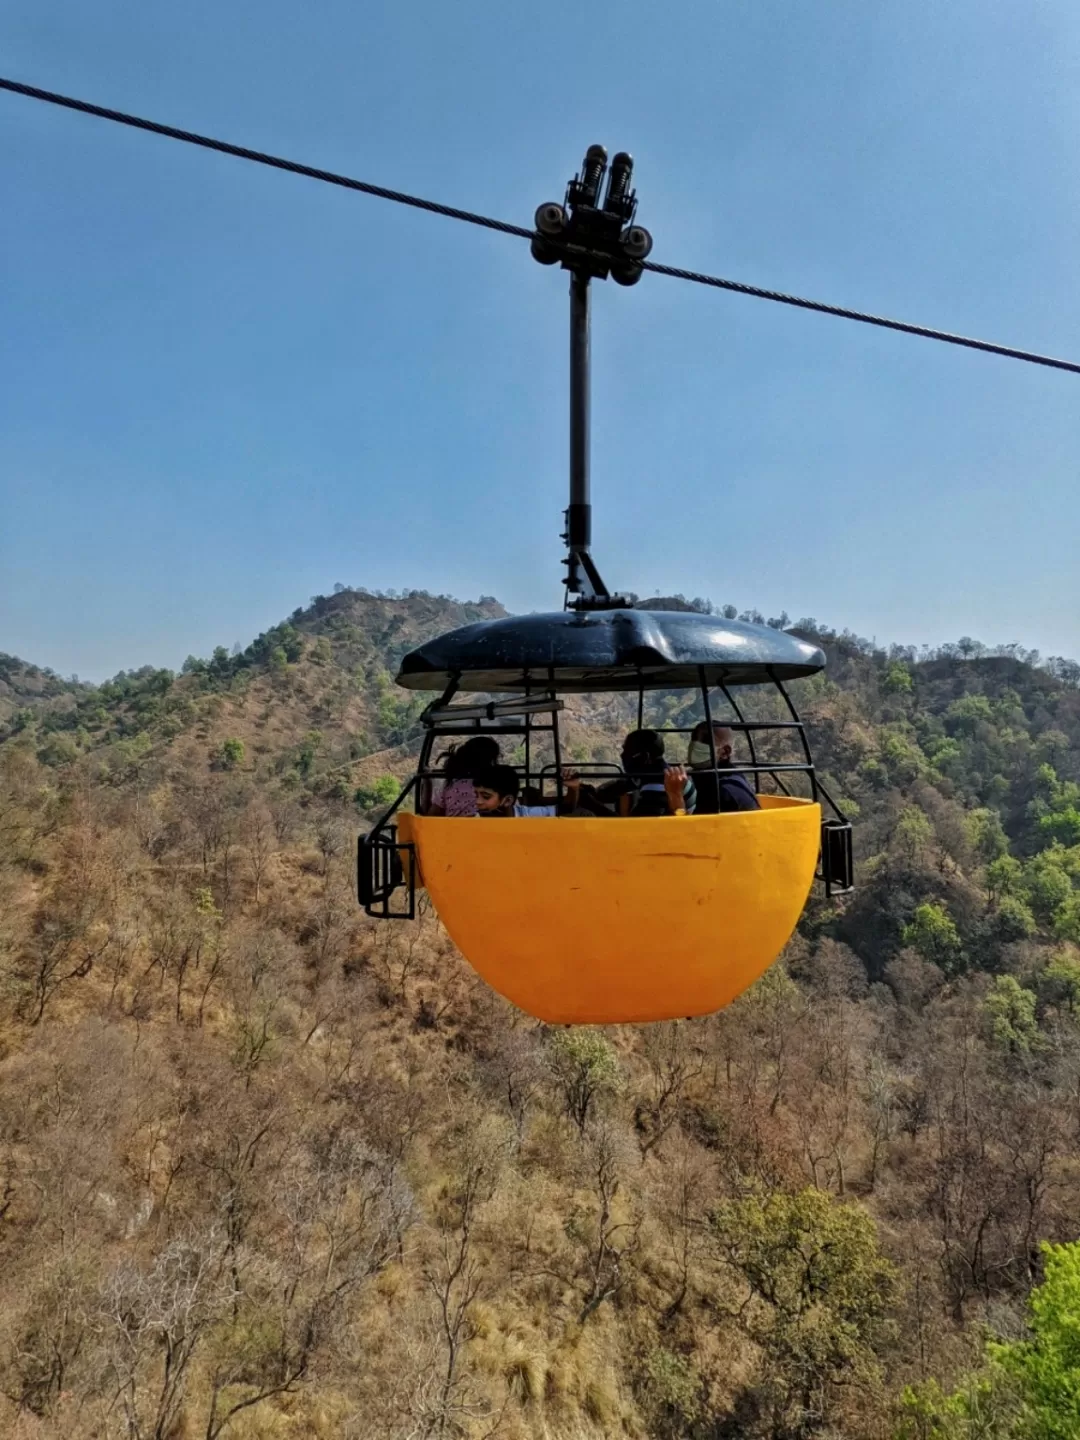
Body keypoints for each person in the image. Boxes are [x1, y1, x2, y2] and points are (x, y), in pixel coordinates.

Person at [594, 729, 696, 816]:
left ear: (645, 757)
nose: (622, 755)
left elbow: (633, 827)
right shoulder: (668, 774)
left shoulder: (657, 788)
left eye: (627, 751)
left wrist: (590, 803)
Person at [687, 723, 760, 813]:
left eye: (705, 741)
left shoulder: (724, 791)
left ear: (725, 752)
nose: (695, 746)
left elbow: (694, 826)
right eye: (694, 739)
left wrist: (676, 797)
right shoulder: (710, 778)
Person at [425, 736, 500, 816]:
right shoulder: (496, 787)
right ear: (491, 762)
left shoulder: (449, 784)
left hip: (453, 828)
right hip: (488, 828)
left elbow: (432, 814)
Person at [473, 765, 583, 817]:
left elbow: (567, 808)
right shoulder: (471, 818)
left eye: (486, 796)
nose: (477, 801)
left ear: (507, 800)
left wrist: (574, 788)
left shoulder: (525, 815)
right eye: (475, 795)